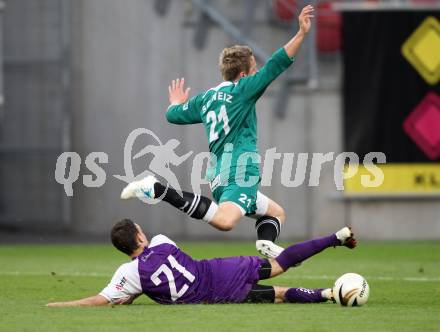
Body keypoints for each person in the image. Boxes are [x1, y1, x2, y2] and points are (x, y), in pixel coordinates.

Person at [120, 5, 315, 258]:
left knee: (275, 212)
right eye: (253, 70)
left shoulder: (206, 99)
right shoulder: (242, 89)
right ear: (243, 74)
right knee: (225, 221)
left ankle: (264, 243)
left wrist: (175, 103)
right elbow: (277, 64)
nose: (256, 74)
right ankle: (158, 189)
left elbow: (172, 115)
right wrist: (300, 33)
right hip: (240, 169)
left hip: (219, 174)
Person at [46, 220, 356, 307]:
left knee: (278, 293)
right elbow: (165, 263)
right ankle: (336, 236)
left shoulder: (130, 274)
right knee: (281, 261)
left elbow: (102, 300)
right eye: (141, 230)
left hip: (218, 295)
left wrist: (62, 304)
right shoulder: (162, 241)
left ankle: (328, 294)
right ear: (140, 238)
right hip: (220, 269)